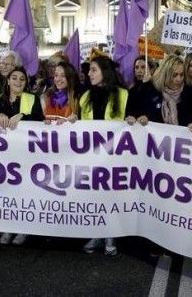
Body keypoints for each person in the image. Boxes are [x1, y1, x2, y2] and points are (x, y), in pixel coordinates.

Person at [0, 67, 44, 246]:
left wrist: (23, 115)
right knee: (7, 192)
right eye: (14, 78)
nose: (18, 82)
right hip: (4, 156)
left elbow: (40, 122)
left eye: (22, 79)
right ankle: (7, 226)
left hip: (26, 155)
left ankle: (24, 229)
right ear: (8, 80)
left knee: (25, 191)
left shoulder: (32, 99)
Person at [79, 55, 128, 256]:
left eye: (93, 70)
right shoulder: (85, 96)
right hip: (92, 155)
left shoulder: (124, 95)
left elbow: (130, 121)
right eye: (89, 70)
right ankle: (98, 233)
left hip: (115, 156)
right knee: (96, 196)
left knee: (111, 196)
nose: (89, 74)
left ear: (104, 73)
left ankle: (111, 234)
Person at [126, 55, 192, 129]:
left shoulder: (189, 93)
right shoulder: (149, 90)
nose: (179, 79)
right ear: (165, 74)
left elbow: (191, 120)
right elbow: (138, 114)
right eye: (174, 75)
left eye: (181, 75)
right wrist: (143, 118)